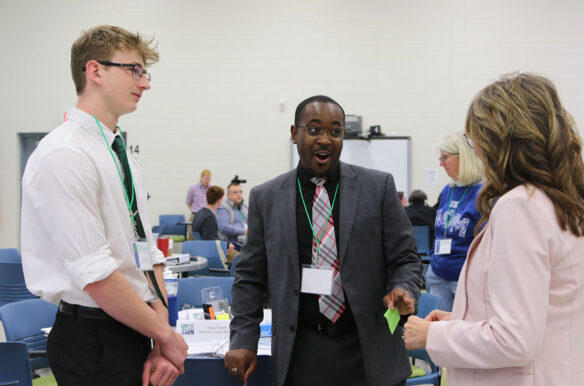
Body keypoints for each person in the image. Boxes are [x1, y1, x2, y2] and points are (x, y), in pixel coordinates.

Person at [20, 25, 187, 386]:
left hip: (133, 325)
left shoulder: (118, 155)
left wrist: (159, 332)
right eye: (134, 70)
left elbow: (146, 253)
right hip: (93, 337)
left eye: (145, 73)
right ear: (95, 71)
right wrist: (167, 336)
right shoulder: (65, 154)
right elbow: (95, 276)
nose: (145, 84)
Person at [224, 95, 423, 386]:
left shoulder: (377, 188)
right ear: (295, 134)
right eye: (314, 129)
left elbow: (405, 257)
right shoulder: (266, 198)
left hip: (369, 351)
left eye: (335, 131)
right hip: (301, 352)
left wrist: (402, 287)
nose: (325, 139)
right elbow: (250, 277)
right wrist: (243, 338)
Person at [404, 73, 584, 385]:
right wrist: (463, 322)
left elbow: (514, 339)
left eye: (477, 140)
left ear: (501, 141)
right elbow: (541, 313)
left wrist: (435, 335)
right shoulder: (561, 200)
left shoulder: (521, 206)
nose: (478, 151)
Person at [427, 132, 483, 311]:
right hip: (437, 273)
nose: (441, 164)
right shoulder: (447, 190)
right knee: (436, 329)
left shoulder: (482, 194)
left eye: (445, 158)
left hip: (462, 278)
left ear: (464, 158)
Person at [192, 185, 238, 260]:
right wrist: (227, 243)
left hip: (200, 250)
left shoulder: (199, 214)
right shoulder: (209, 217)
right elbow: (211, 241)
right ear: (219, 200)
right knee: (241, 258)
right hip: (210, 253)